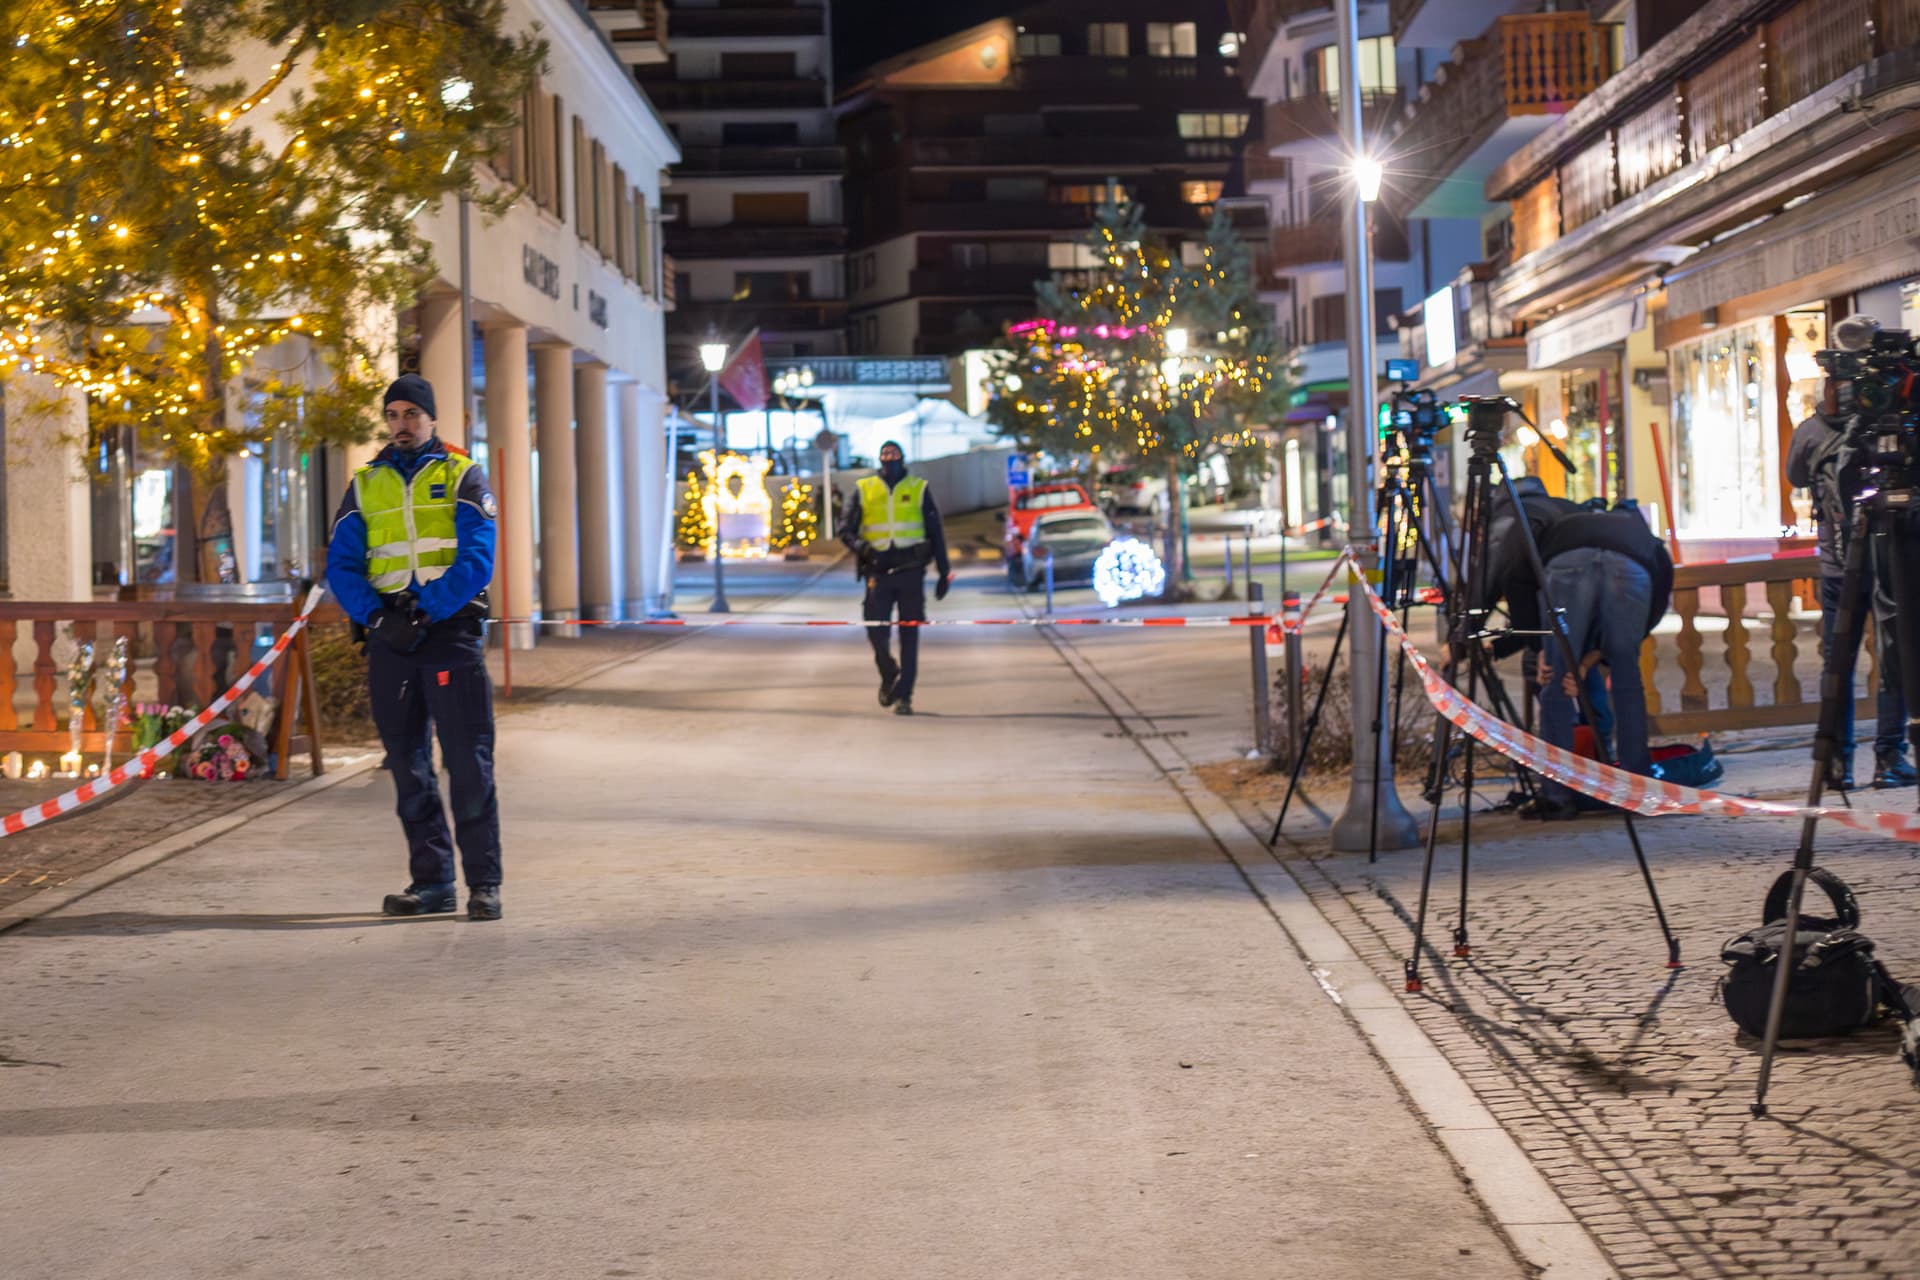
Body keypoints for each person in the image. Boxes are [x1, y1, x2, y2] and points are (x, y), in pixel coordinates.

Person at [325, 374, 505, 920]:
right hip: (392, 641)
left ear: (432, 419)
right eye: (394, 414)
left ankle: (484, 884)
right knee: (408, 766)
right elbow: (342, 565)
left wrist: (427, 608)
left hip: (449, 636)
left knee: (468, 765)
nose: (402, 424)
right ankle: (432, 883)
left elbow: (477, 558)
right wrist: (379, 617)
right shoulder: (365, 484)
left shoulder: (462, 476)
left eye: (412, 414)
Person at [1474, 477, 1672, 820]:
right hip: (1634, 567)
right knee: (1627, 675)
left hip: (1566, 563)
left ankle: (1557, 795)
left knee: (1554, 684)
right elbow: (1641, 626)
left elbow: (1515, 579)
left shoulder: (1525, 524)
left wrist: (1545, 652)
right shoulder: (1585, 515)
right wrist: (1591, 661)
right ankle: (1638, 791)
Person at [1785, 314, 1915, 790]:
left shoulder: (1811, 428)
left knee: (1836, 663)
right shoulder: (1893, 415)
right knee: (1894, 659)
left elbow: (1796, 478)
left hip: (1837, 563)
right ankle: (1889, 759)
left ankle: (1837, 765)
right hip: (1888, 563)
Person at [841, 440, 952, 715]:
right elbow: (845, 529)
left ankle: (905, 695)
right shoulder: (864, 488)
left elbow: (935, 531)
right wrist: (861, 548)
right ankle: (889, 671)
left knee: (909, 635)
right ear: (879, 458)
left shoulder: (918, 488)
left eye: (894, 453)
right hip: (877, 571)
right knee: (876, 631)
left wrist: (944, 571)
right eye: (885, 453)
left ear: (903, 457)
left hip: (910, 571)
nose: (889, 457)